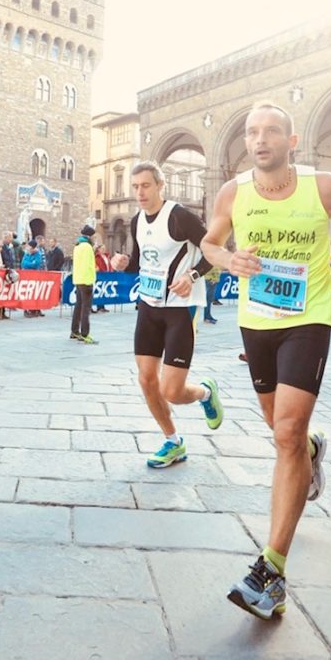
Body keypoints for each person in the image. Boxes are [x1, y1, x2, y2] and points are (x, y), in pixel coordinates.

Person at [201, 103, 331, 621]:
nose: (260, 139)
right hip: (257, 322)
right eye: (252, 132)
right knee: (282, 430)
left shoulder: (324, 187)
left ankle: (270, 572)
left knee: (286, 433)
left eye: (271, 131)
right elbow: (209, 243)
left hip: (308, 317)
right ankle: (312, 449)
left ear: (292, 141)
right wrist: (229, 259)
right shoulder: (233, 193)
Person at [112, 161, 222, 470]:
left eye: (146, 185)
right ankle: (173, 441)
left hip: (180, 310)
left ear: (161, 185)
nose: (140, 192)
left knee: (172, 391)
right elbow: (140, 262)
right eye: (135, 187)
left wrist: (192, 276)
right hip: (149, 308)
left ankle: (205, 393)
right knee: (147, 380)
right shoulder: (137, 221)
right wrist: (125, 263)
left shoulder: (179, 216)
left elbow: (213, 251)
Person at [70, 225, 98, 343]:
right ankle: (85, 334)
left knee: (78, 306)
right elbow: (89, 264)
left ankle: (74, 331)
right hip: (86, 280)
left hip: (78, 279)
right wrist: (93, 274)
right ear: (89, 236)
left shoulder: (77, 246)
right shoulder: (87, 247)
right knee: (86, 308)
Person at [21, 238, 46, 317]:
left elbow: (36, 264)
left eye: (29, 247)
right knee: (26, 293)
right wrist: (30, 263)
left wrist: (29, 264)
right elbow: (23, 263)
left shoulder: (37, 254)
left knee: (35, 293)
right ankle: (26, 310)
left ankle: (35, 309)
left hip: (34, 276)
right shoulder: (26, 254)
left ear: (33, 248)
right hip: (26, 276)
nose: (28, 248)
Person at [93, 242, 111, 312]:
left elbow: (109, 265)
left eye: (104, 248)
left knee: (104, 291)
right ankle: (99, 306)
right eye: (102, 248)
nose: (104, 250)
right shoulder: (97, 257)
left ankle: (102, 306)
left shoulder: (106, 256)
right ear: (99, 249)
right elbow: (98, 265)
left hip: (106, 275)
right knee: (99, 291)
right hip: (100, 275)